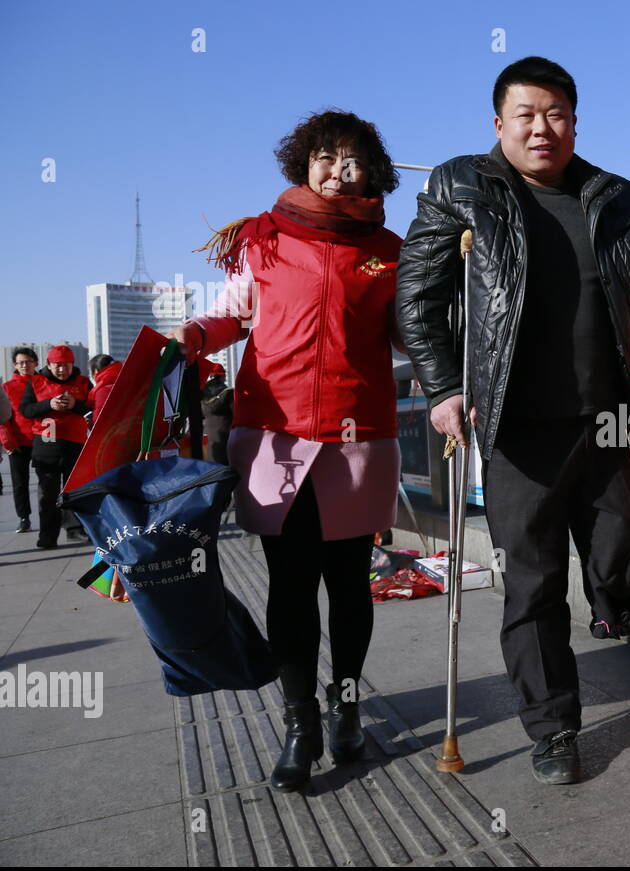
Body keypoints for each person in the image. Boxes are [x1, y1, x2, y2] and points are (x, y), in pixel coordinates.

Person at [397, 57, 630, 785]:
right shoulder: (461, 185)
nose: (542, 128)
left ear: (575, 120)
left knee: (618, 554)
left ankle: (610, 611)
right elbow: (417, 293)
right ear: (500, 124)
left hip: (604, 411)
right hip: (514, 420)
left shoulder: (617, 198)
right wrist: (445, 386)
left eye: (556, 114)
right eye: (527, 115)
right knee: (533, 581)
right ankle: (553, 728)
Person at [169, 110, 405, 792]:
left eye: (352, 159)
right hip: (274, 437)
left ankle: (349, 711)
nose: (338, 170)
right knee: (291, 586)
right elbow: (232, 315)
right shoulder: (262, 239)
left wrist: (452, 296)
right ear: (303, 164)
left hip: (361, 436)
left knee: (350, 585)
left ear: (373, 172)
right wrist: (191, 335)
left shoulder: (391, 250)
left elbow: (403, 337)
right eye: (325, 157)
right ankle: (301, 724)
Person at [20, 346, 92, 548]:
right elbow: (26, 410)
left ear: (72, 364)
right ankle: (47, 535)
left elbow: (93, 409)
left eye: (66, 365)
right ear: (49, 365)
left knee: (74, 490)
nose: (62, 370)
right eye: (58, 366)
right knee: (48, 493)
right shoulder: (35, 382)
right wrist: (48, 405)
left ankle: (74, 530)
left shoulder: (84, 382)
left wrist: (75, 405)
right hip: (46, 446)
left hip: (75, 444)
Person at [1, 348, 39, 532]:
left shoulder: (44, 383)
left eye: (29, 361)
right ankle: (24, 518)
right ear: (15, 365)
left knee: (48, 483)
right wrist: (8, 441)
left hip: (42, 441)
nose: (25, 365)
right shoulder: (7, 387)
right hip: (18, 442)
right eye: (21, 362)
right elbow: (2, 418)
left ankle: (49, 516)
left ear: (36, 363)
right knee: (19, 483)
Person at [199, 365, 233, 464]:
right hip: (224, 436)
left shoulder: (202, 393)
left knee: (210, 467)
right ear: (222, 376)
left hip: (206, 436)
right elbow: (237, 415)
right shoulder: (228, 393)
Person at [87, 353, 122, 426]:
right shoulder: (125, 383)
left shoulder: (103, 391)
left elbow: (99, 423)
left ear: (96, 371)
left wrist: (89, 422)